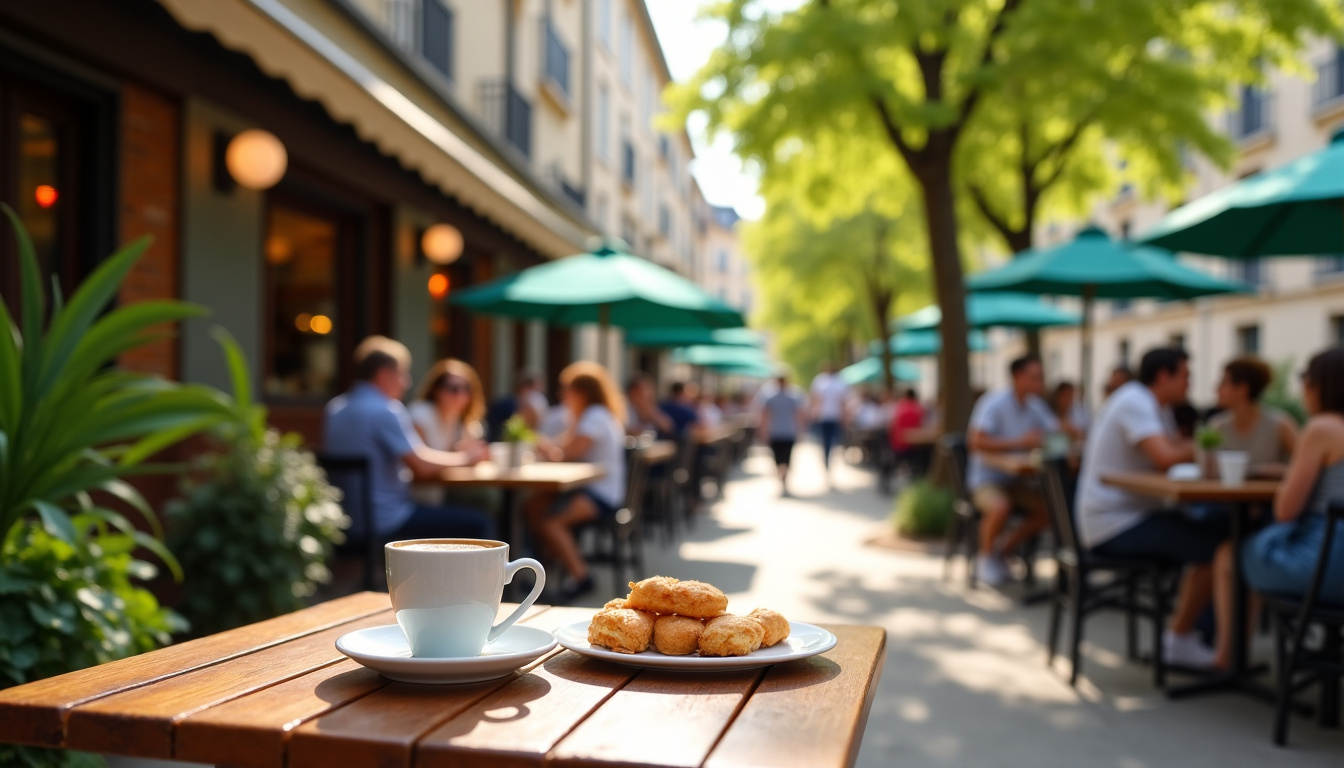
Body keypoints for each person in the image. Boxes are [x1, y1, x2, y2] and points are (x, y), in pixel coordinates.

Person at [1076, 347, 1225, 668]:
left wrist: (1185, 447)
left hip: (1131, 514)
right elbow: (1166, 457)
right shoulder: (1136, 401)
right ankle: (1183, 639)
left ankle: (1200, 637)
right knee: (1219, 547)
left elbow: (1172, 454)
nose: (1190, 383)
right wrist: (1200, 445)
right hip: (1115, 524)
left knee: (1221, 528)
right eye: (1185, 375)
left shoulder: (1157, 407)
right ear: (1163, 376)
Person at [1211, 347, 1344, 669]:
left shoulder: (1322, 427)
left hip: (1324, 567)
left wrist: (1290, 476)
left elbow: (1286, 510)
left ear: (1319, 386)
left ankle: (1229, 658)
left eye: (1305, 380)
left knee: (1229, 556)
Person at [323, 336, 494, 545]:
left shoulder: (335, 409)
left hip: (346, 521)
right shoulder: (386, 410)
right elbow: (420, 465)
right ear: (384, 375)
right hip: (387, 519)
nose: (407, 382)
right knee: (480, 522)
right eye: (402, 374)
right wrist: (467, 458)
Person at [527, 361, 628, 602]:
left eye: (567, 389)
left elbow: (568, 452)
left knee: (551, 522)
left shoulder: (594, 417)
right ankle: (545, 568)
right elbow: (565, 447)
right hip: (596, 488)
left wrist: (543, 446)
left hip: (602, 494)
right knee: (532, 507)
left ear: (582, 392)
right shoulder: (594, 415)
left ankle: (582, 577)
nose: (562, 394)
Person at [966, 355, 1059, 585]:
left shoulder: (1035, 405)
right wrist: (1020, 442)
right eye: (1035, 377)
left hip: (1017, 480)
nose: (1040, 382)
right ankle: (985, 558)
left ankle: (1002, 550)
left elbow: (1056, 434)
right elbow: (975, 442)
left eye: (1041, 377)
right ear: (1017, 377)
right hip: (986, 479)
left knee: (1054, 509)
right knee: (1000, 506)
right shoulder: (994, 402)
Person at [408, 359, 488, 506]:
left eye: (467, 389)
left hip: (442, 497)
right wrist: (463, 458)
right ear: (436, 390)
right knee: (481, 518)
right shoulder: (420, 415)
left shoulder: (459, 420)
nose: (461, 395)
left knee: (485, 506)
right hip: (416, 502)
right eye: (454, 388)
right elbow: (418, 467)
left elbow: (474, 450)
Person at [1207, 356, 1297, 469]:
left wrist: (1268, 471)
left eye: (1224, 382)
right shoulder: (1217, 426)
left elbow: (1305, 467)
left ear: (1242, 389)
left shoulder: (1280, 425)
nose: (1216, 389)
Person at [756, 375, 807, 496]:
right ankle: (783, 478)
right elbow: (799, 415)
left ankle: (782, 477)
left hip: (778, 432)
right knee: (785, 457)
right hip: (786, 432)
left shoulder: (772, 398)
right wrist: (800, 430)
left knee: (779, 458)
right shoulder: (792, 397)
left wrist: (762, 431)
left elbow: (764, 416)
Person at [810, 363, 850, 477]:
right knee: (832, 442)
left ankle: (827, 460)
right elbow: (842, 402)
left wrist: (814, 412)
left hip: (825, 416)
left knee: (826, 441)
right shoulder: (839, 382)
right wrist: (844, 417)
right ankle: (828, 460)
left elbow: (815, 399)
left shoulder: (820, 381)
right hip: (833, 416)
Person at [485, 369, 548, 440]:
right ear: (525, 388)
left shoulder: (509, 403)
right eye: (537, 388)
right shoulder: (506, 406)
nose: (539, 392)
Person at [625, 372, 674, 437]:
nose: (646, 394)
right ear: (632, 392)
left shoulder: (650, 407)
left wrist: (652, 415)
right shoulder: (625, 407)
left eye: (647, 390)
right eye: (641, 391)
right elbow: (623, 429)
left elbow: (668, 427)